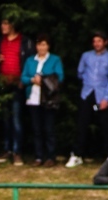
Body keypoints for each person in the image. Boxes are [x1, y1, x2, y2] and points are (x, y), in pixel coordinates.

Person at [67, 31, 108, 168]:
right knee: (82, 124)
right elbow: (80, 72)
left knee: (106, 126)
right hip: (87, 93)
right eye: (95, 41)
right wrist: (88, 81)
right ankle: (77, 154)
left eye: (99, 41)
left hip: (102, 94)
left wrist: (106, 98)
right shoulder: (86, 55)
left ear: (105, 42)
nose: (97, 44)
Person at [0, 16, 34, 166]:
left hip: (17, 82)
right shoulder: (0, 41)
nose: (2, 26)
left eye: (5, 23)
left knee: (17, 117)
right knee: (6, 119)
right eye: (2, 23)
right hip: (4, 82)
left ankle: (17, 151)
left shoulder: (24, 41)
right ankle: (7, 148)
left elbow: (29, 62)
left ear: (12, 25)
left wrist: (24, 80)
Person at [21, 33, 64, 167]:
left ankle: (51, 156)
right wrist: (32, 80)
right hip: (33, 98)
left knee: (48, 128)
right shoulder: (30, 60)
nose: (41, 47)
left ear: (48, 46)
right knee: (36, 129)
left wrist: (43, 79)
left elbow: (60, 77)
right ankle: (38, 157)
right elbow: (23, 77)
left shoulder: (55, 59)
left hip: (48, 98)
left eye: (44, 44)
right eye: (39, 44)